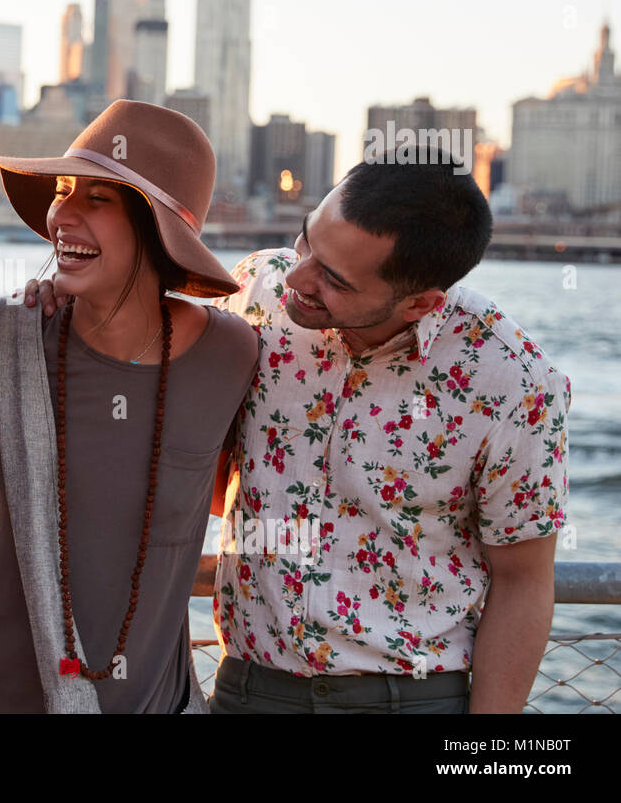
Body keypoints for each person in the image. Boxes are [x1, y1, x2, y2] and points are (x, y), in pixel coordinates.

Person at [202, 149, 570, 713]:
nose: (297, 276)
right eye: (306, 241)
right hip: (248, 690)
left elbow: (523, 581)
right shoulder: (255, 290)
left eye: (334, 279)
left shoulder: (514, 382)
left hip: (412, 701)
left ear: (421, 303)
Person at [0, 100, 260, 713]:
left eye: (97, 199)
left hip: (149, 701)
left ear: (158, 228)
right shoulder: (7, 335)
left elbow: (219, 491)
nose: (62, 215)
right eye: (62, 190)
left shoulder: (231, 352)